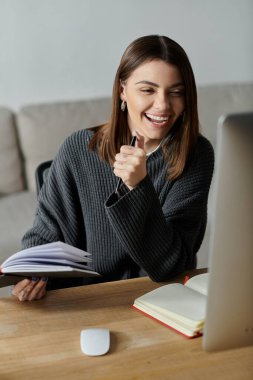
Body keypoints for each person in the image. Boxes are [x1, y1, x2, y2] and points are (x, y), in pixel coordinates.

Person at [12, 35, 214, 302]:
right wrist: (32, 273)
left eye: (175, 92)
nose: (163, 105)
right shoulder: (77, 149)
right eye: (148, 90)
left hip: (160, 299)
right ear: (122, 91)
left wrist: (138, 187)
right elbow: (46, 233)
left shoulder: (196, 154)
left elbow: (170, 266)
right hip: (87, 302)